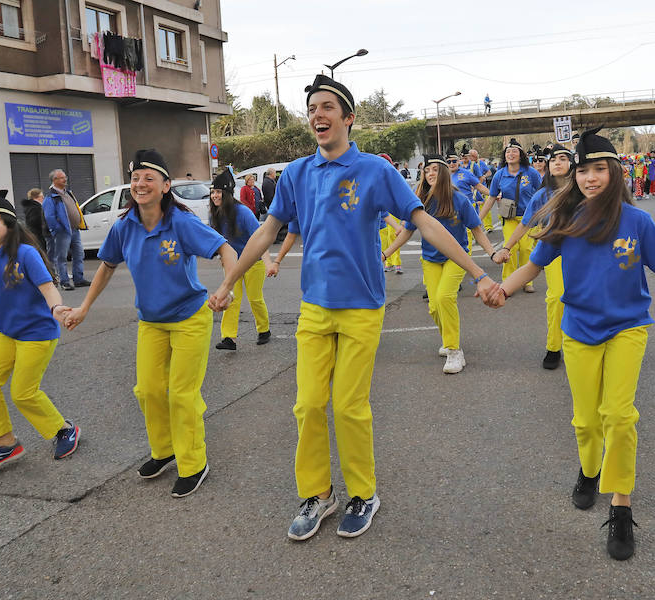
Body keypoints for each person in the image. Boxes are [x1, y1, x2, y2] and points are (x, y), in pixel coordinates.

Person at [207, 74, 503, 541]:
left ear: (347, 118)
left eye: (327, 107)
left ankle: (363, 493)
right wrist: (227, 281)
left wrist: (480, 273)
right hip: (314, 308)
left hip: (362, 306)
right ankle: (319, 494)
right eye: (311, 109)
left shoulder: (375, 171)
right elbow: (267, 231)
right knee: (307, 405)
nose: (317, 115)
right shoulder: (298, 174)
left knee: (348, 406)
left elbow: (424, 222)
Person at [496, 127, 655, 561]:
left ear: (615, 172)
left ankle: (620, 503)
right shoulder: (564, 220)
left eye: (599, 169)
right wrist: (500, 290)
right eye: (582, 171)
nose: (590, 178)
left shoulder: (638, 222)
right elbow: (533, 268)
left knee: (618, 414)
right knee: (585, 421)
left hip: (627, 329)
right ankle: (590, 470)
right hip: (578, 331)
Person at [64, 149, 238, 498]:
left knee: (182, 394)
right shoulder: (124, 227)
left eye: (149, 178)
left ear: (165, 186)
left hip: (190, 319)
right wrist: (83, 306)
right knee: (147, 391)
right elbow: (107, 265)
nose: (140, 184)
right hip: (152, 322)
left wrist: (226, 287)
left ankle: (194, 463)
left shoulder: (181, 223)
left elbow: (224, 249)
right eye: (135, 178)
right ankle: (165, 450)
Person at [0, 190, 79, 472]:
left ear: (10, 225)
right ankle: (6, 444)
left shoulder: (25, 253)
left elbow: (48, 287)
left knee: (23, 392)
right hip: (6, 334)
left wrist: (57, 310)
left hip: (37, 333)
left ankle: (64, 430)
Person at [384, 153, 500, 374]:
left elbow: (477, 229)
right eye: (426, 171)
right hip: (430, 259)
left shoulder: (459, 199)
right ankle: (448, 339)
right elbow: (406, 232)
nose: (429, 174)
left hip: (457, 258)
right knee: (434, 306)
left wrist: (493, 252)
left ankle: (455, 350)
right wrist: (385, 254)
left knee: (445, 297)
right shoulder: (419, 203)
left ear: (445, 173)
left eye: (435, 170)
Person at [495, 144, 574, 369]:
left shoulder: (583, 189)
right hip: (554, 251)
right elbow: (525, 223)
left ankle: (591, 340)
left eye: (563, 158)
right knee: (557, 296)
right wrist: (506, 248)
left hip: (585, 252)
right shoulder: (542, 195)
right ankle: (554, 347)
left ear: (572, 163)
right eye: (553, 159)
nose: (557, 162)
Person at [209, 169, 274, 351]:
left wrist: (268, 262)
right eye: (213, 192)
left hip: (254, 263)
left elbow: (261, 238)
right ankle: (229, 337)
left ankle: (264, 330)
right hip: (232, 264)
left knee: (255, 299)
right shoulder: (214, 215)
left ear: (228, 194)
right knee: (231, 298)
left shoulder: (243, 213)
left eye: (219, 192)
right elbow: (214, 240)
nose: (215, 196)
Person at [479, 138, 543, 288]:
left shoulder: (531, 173)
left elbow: (542, 193)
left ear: (521, 155)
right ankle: (508, 282)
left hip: (528, 219)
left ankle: (527, 281)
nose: (511, 154)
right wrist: (478, 219)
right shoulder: (499, 175)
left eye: (514, 151)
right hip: (509, 218)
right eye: (508, 151)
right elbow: (491, 198)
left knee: (526, 249)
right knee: (510, 249)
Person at [43, 169, 90, 290]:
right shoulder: (51, 197)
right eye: (62, 178)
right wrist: (58, 229)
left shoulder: (68, 193)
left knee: (79, 254)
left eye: (65, 177)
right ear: (55, 180)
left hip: (74, 230)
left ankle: (78, 279)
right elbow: (49, 217)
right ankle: (64, 281)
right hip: (62, 232)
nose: (65, 180)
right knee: (61, 257)